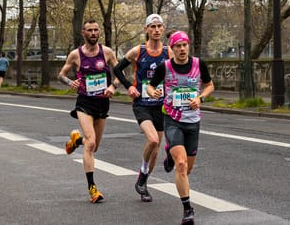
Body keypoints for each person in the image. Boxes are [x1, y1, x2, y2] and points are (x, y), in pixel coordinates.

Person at [147, 31, 214, 225]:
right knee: (182, 165)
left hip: (193, 121)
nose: (182, 49)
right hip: (172, 119)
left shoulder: (198, 64)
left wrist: (200, 98)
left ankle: (169, 153)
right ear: (172, 48)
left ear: (188, 46)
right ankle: (188, 210)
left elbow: (210, 85)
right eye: (178, 46)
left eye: (185, 45)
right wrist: (154, 92)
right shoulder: (164, 67)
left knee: (188, 168)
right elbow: (151, 87)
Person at [58, 19, 121, 203]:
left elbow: (120, 74)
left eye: (96, 30)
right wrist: (71, 82)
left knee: (94, 146)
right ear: (83, 33)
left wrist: (113, 87)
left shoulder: (107, 52)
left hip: (102, 104)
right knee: (91, 144)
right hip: (84, 102)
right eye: (89, 30)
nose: (93, 33)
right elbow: (61, 75)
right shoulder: (75, 55)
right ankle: (92, 189)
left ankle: (76, 140)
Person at [112, 13, 172, 203]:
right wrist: (129, 86)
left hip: (161, 106)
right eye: (152, 27)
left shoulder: (168, 52)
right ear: (146, 29)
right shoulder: (138, 51)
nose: (156, 30)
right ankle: (144, 172)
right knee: (153, 140)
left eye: (159, 26)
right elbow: (116, 69)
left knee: (155, 151)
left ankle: (143, 182)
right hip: (142, 104)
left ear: (163, 29)